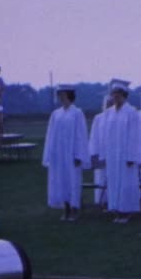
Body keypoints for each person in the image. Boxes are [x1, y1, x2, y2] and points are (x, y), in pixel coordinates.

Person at [42, 84, 90, 221]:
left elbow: (81, 135)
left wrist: (79, 154)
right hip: (59, 154)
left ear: (69, 94)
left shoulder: (77, 113)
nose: (60, 97)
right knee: (61, 181)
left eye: (62, 94)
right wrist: (50, 153)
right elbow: (50, 134)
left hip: (72, 154)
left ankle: (75, 209)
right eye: (59, 94)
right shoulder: (56, 114)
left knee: (73, 181)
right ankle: (66, 208)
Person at [100, 81, 141, 224]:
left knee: (126, 184)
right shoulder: (109, 113)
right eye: (114, 94)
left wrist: (132, 156)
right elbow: (105, 135)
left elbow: (135, 136)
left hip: (126, 156)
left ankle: (126, 211)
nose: (116, 97)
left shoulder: (131, 112)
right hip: (113, 156)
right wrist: (105, 154)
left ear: (124, 95)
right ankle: (117, 210)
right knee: (113, 183)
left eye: (118, 94)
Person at [88, 95, 114, 207]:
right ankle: (103, 201)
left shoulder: (117, 117)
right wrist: (94, 154)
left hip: (114, 153)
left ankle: (114, 201)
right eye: (108, 103)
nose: (110, 105)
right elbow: (94, 137)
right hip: (101, 153)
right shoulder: (98, 118)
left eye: (111, 103)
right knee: (102, 177)